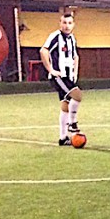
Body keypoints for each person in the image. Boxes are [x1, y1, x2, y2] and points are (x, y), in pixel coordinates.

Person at [40, 13, 82, 146]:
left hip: (68, 76)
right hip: (59, 76)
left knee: (65, 104)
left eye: (69, 23)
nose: (67, 26)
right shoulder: (55, 36)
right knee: (77, 95)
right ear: (60, 23)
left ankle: (63, 138)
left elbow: (76, 56)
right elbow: (43, 51)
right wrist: (51, 70)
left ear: (73, 25)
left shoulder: (72, 39)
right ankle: (72, 123)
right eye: (64, 22)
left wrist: (75, 73)